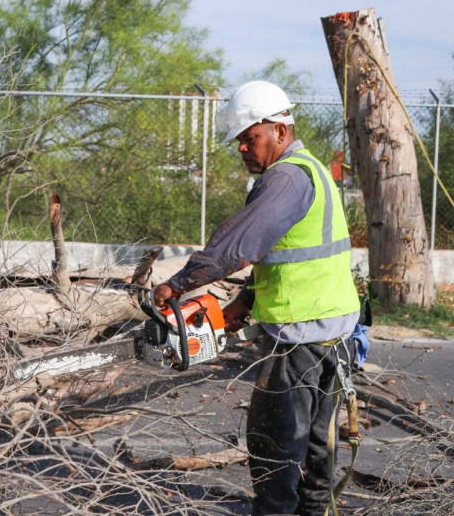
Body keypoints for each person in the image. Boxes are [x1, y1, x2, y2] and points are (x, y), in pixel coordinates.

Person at [152, 80, 361, 516]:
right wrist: (243, 305)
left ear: (280, 131)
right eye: (240, 142)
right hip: (332, 330)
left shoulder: (284, 178)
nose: (244, 148)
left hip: (297, 337)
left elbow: (239, 245)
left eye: (252, 137)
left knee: (275, 447)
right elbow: (286, 257)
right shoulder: (312, 170)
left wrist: (180, 283)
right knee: (317, 444)